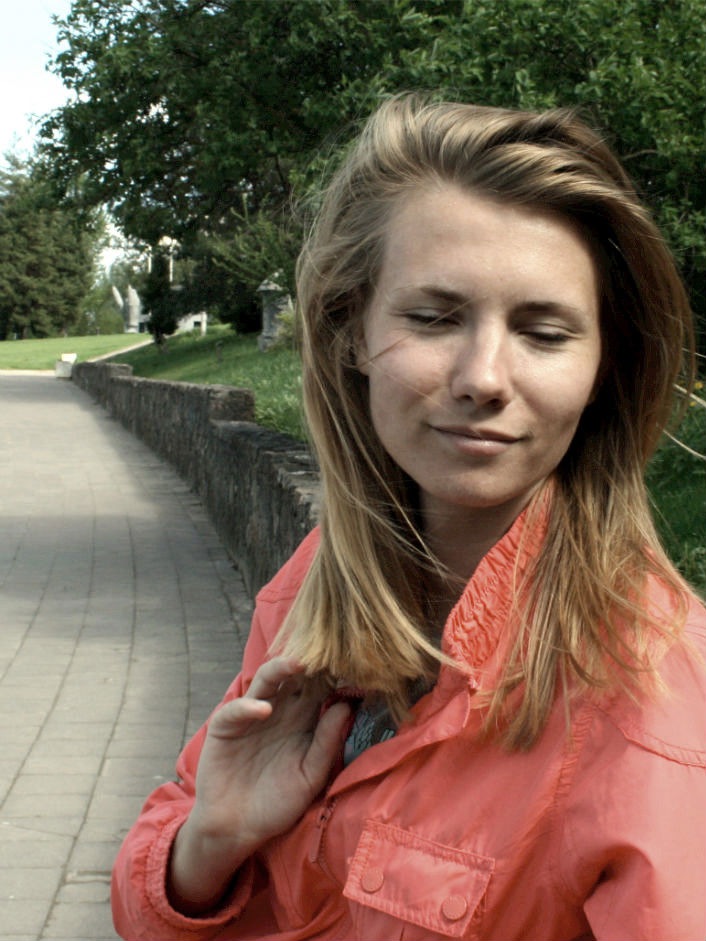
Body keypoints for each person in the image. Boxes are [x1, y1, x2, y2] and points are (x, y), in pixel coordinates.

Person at [111, 95, 706, 940]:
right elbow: (158, 869)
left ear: (604, 366)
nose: (484, 377)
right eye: (433, 318)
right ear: (352, 329)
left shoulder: (660, 712)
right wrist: (213, 840)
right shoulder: (323, 581)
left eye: (543, 333)